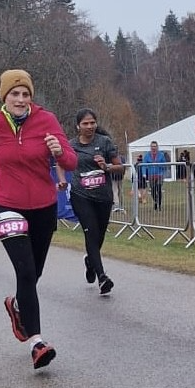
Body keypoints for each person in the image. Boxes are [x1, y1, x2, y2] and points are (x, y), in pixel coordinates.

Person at [0, 68, 76, 370]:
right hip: (6, 205)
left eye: (25, 94)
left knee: (35, 271)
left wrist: (58, 152)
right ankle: (37, 342)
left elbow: (70, 161)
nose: (21, 99)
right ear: (4, 96)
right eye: (15, 94)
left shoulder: (47, 120)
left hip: (43, 205)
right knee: (26, 272)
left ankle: (17, 305)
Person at [69, 108, 123, 295]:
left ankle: (90, 262)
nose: (90, 126)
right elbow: (61, 163)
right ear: (78, 126)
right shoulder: (72, 145)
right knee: (91, 234)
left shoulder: (105, 142)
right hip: (80, 196)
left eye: (92, 122)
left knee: (98, 236)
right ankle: (102, 277)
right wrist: (61, 180)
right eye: (85, 123)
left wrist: (107, 166)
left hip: (103, 197)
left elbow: (120, 169)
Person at [140, 140, 166, 212]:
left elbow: (164, 164)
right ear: (150, 147)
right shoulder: (147, 155)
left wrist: (162, 168)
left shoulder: (161, 154)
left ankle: (159, 205)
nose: (153, 148)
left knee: (159, 188)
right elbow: (143, 165)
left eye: (155, 146)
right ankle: (155, 202)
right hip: (151, 175)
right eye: (152, 146)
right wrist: (144, 173)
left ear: (157, 147)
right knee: (153, 190)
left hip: (159, 175)